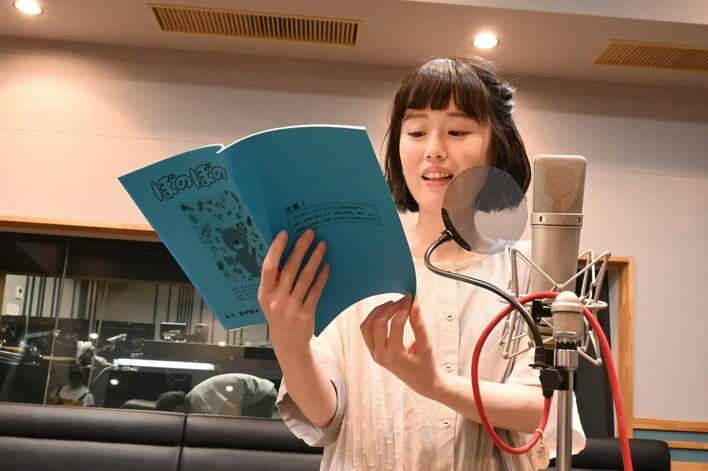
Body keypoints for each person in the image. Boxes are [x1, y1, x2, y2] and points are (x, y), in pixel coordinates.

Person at [259, 56, 585, 470]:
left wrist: (435, 385)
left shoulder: (531, 267)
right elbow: (326, 413)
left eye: (457, 131)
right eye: (415, 132)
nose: (434, 150)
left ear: (497, 146)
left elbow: (543, 406)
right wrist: (289, 343)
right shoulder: (358, 260)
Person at [155, 373, 277, 418]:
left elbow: (233, 412)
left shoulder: (199, 398)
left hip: (260, 394)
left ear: (178, 410)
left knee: (248, 437)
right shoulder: (195, 401)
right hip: (254, 394)